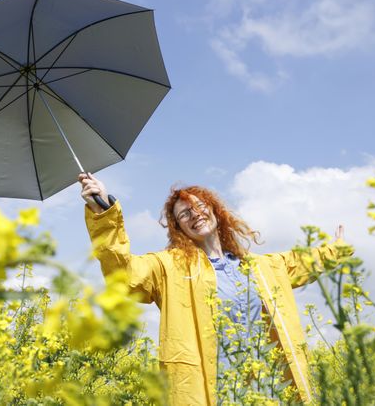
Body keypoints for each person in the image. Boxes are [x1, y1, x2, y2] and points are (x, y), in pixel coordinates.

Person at [78, 173, 352, 405]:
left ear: (214, 211)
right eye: (184, 214)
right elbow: (123, 275)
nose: (194, 214)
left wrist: (336, 250)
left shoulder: (260, 266)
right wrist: (103, 212)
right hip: (214, 391)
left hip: (271, 388)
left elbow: (301, 262)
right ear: (178, 229)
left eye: (199, 206)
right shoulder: (169, 267)